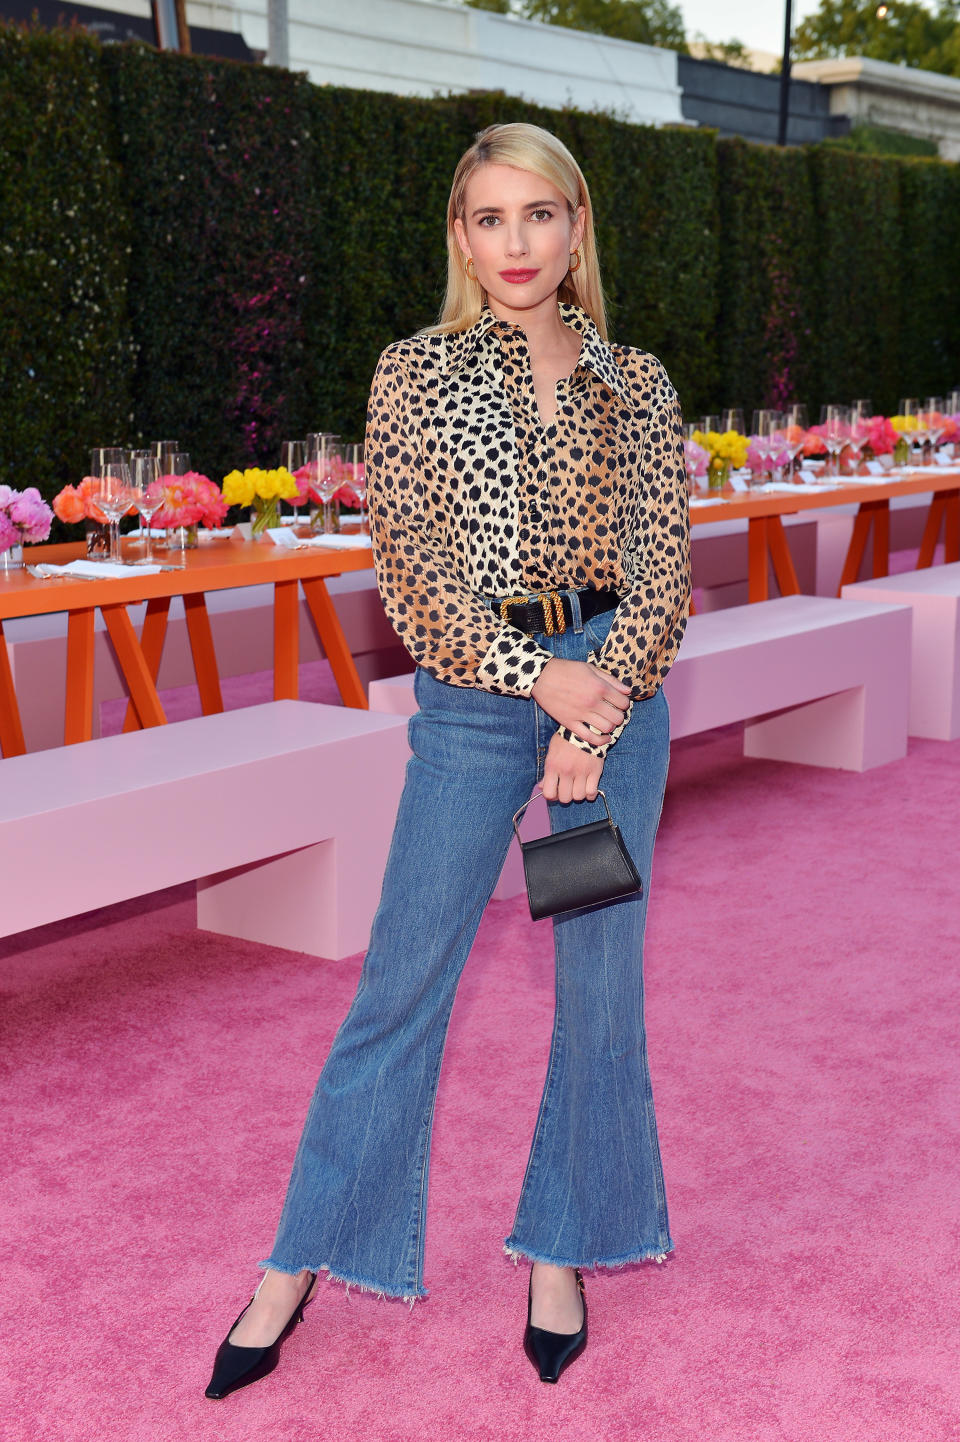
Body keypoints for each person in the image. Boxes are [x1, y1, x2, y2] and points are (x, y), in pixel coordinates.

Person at [205, 120, 690, 1399]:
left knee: (598, 988)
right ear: (461, 238)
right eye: (491, 218)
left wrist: (597, 712)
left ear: (578, 226)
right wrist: (543, 681)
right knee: (404, 978)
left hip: (619, 701)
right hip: (479, 696)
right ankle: (298, 1257)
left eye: (540, 214)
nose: (517, 242)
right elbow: (413, 583)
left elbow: (663, 576)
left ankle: (562, 1246)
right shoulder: (414, 373)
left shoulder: (637, 382)